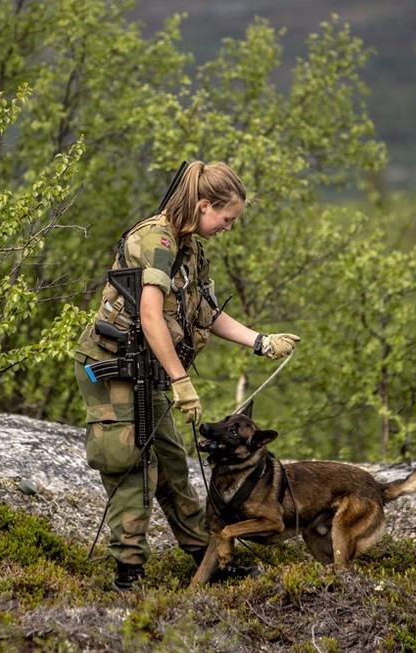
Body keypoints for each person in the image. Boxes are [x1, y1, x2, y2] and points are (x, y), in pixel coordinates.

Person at [75, 160, 300, 591]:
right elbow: (149, 314)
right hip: (115, 370)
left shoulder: (190, 248)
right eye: (227, 218)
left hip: (148, 368)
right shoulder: (156, 241)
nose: (229, 227)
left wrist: (260, 340)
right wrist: (181, 380)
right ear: (203, 205)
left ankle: (206, 556)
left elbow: (207, 313)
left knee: (174, 466)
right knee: (133, 468)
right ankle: (128, 574)